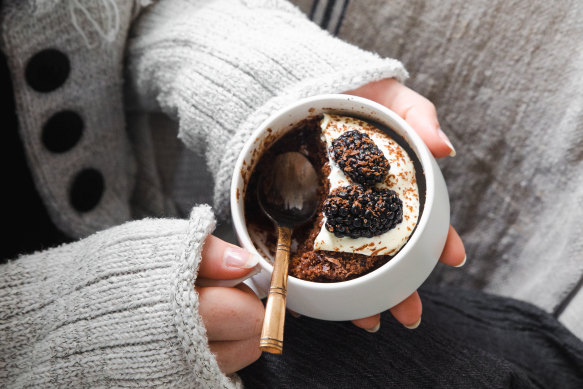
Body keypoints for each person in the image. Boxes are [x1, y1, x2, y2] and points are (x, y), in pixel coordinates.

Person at [0, 0, 581, 388]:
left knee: (513, 355)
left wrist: (273, 79)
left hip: (207, 271)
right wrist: (46, 329)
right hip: (92, 330)